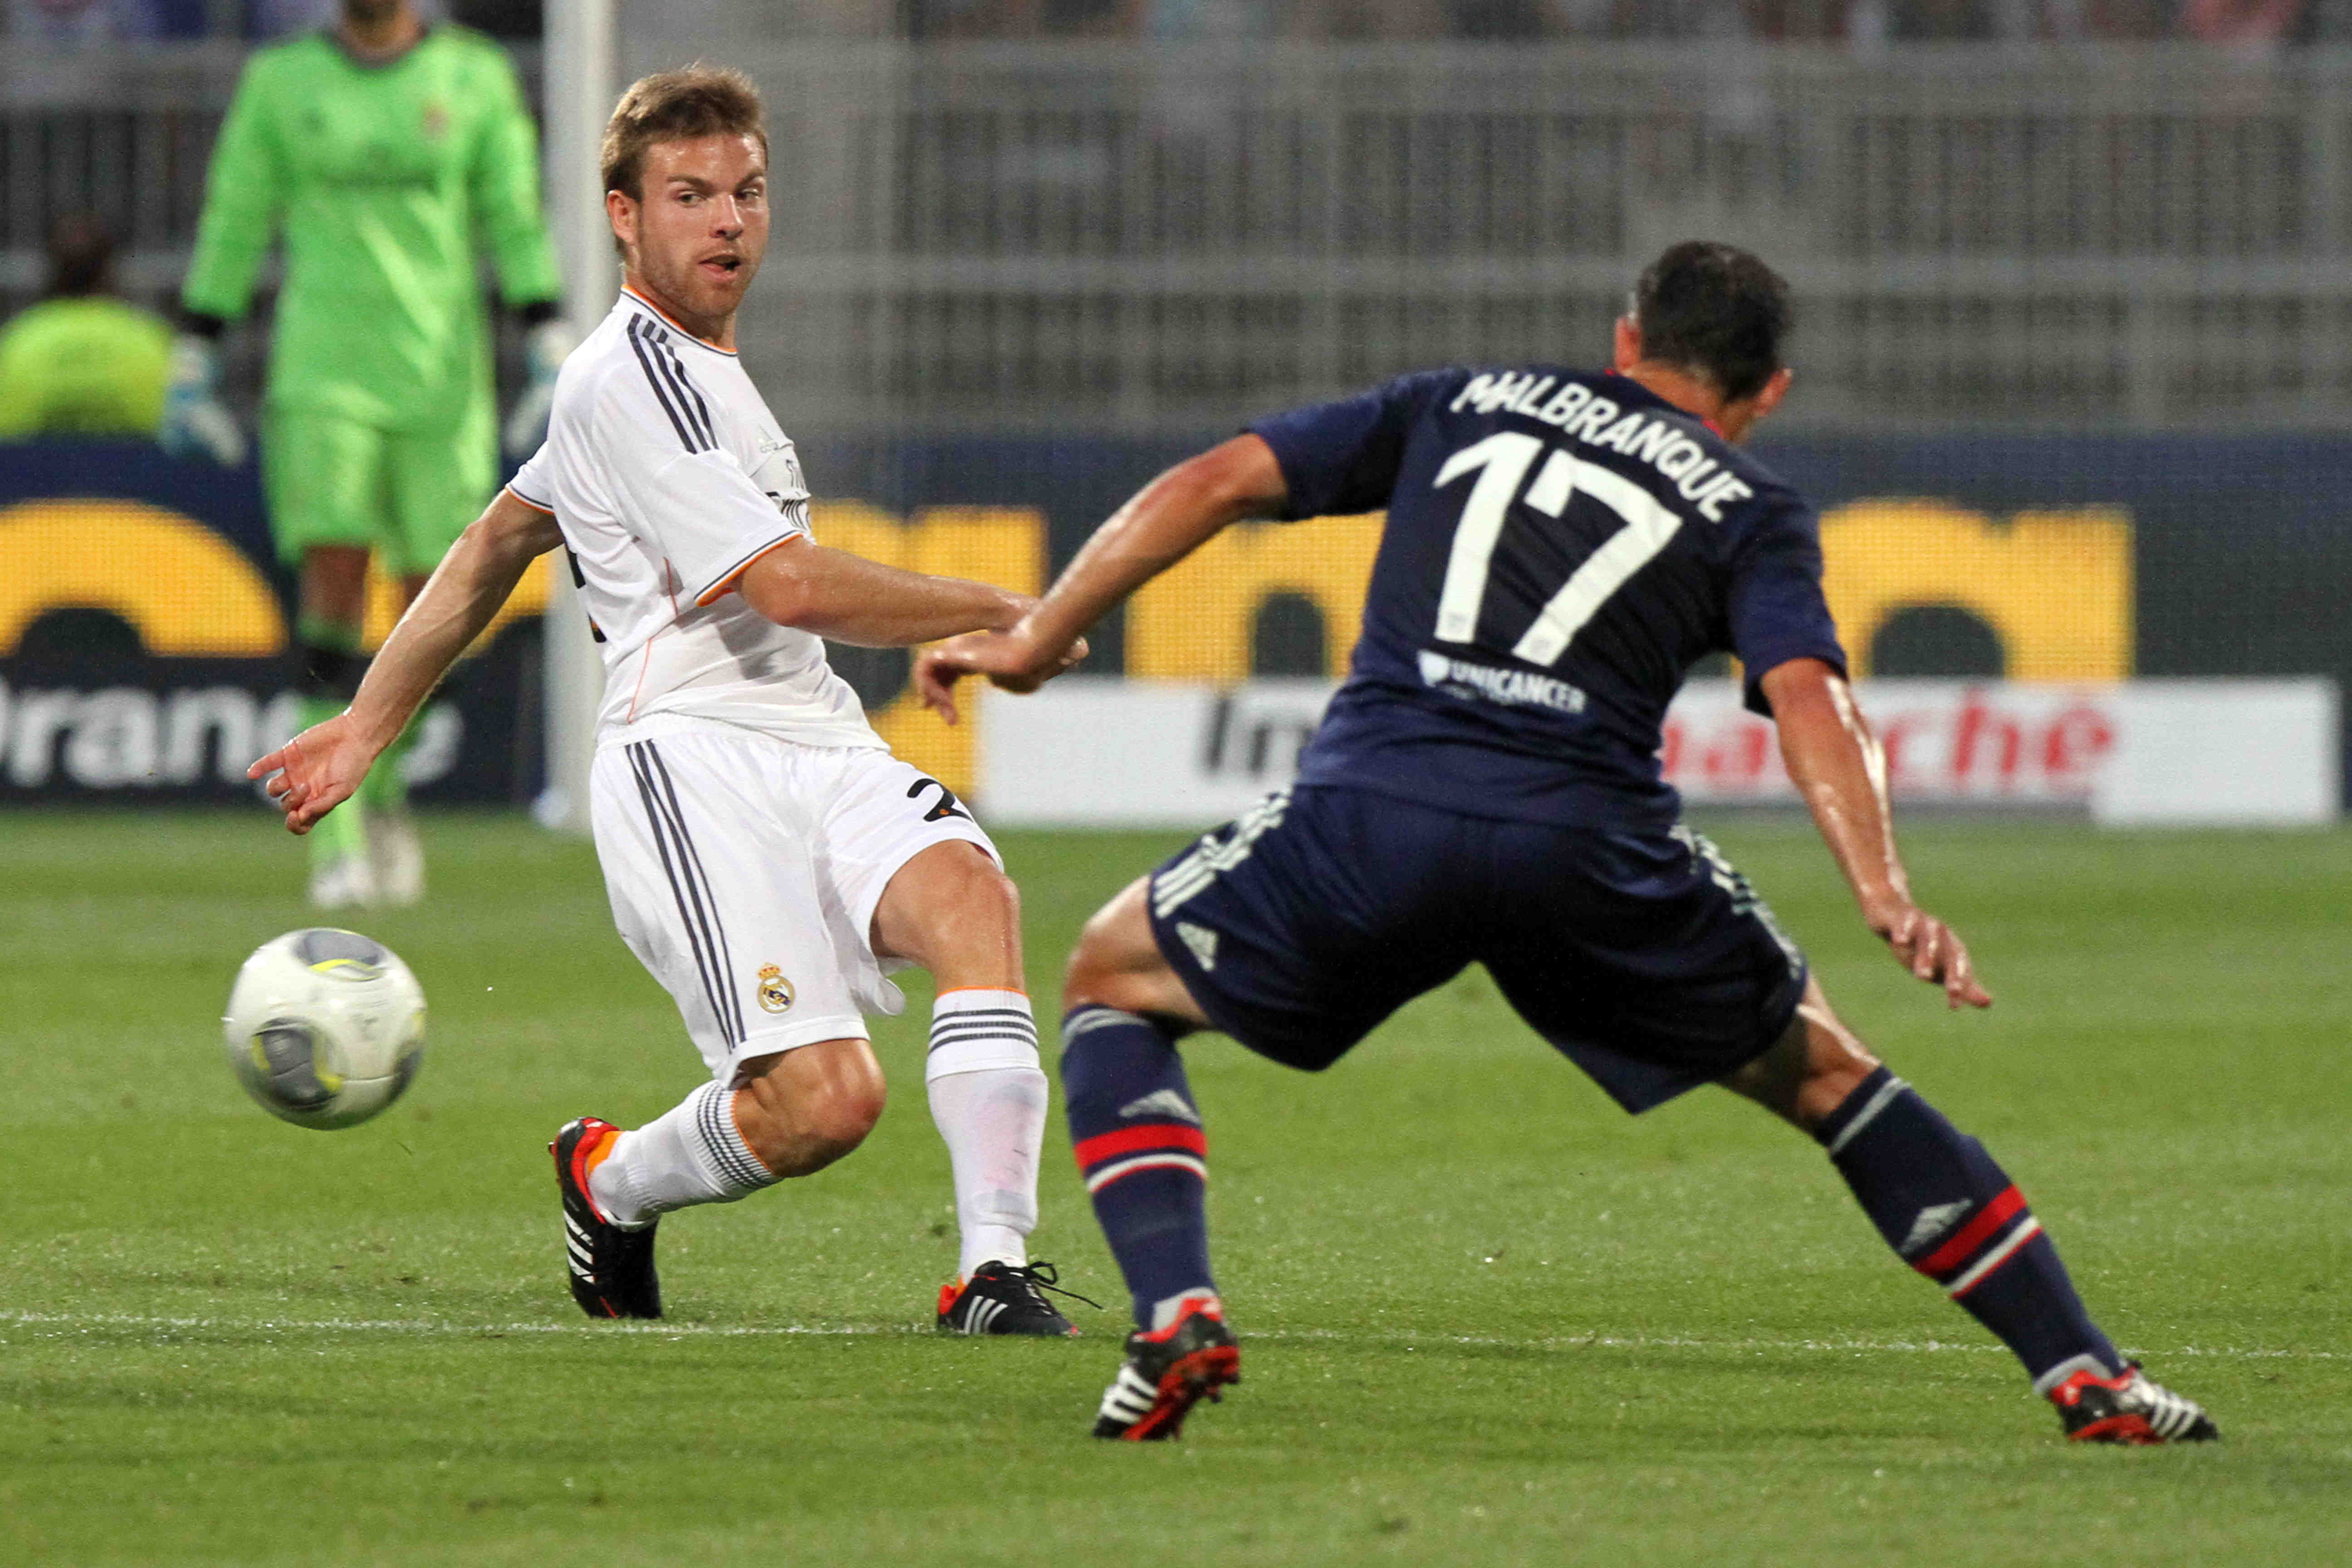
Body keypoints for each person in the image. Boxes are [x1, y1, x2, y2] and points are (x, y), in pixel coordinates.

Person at [916, 241, 2219, 1444]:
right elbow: (1812, 695)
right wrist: (1883, 887)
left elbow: (1220, 481)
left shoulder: (1463, 400)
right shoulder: (1752, 505)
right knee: (1832, 1077)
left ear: (1624, 334)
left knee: (1108, 983)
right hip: (1586, 852)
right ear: (1767, 391)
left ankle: (1176, 1316)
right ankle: (2084, 1373)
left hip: (1379, 818)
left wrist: (1034, 639)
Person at [251, 66, 1088, 1337]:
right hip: (690, 764)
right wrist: (997, 605)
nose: (728, 222)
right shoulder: (623, 377)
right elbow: (792, 587)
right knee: (824, 1104)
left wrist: (368, 725)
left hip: (814, 734)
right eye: (690, 195)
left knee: (977, 899)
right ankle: (613, 1181)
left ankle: (991, 1270)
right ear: (623, 215)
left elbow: (491, 545)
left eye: (747, 192)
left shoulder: (699, 372)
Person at [174, 0, 571, 909]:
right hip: (322, 375)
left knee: (441, 611)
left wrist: (547, 327)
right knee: (333, 590)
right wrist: (198, 339)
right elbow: (237, 213)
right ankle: (337, 841)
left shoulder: (472, 77)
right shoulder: (282, 84)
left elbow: (512, 211)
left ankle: (377, 787)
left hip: (440, 380)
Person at [0, 215, 173, 440]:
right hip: (137, 471)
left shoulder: (17, 341)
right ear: (109, 269)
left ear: (52, 270)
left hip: (34, 471)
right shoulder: (150, 337)